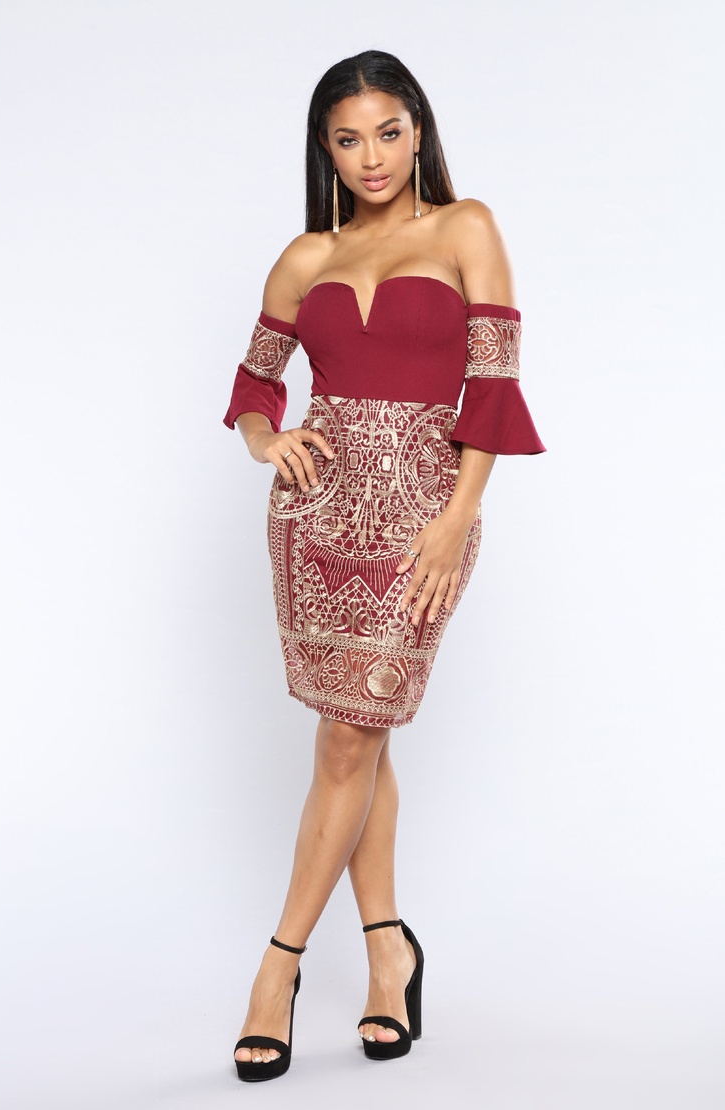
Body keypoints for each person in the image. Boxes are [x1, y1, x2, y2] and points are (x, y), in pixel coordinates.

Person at [223, 49, 546, 1081]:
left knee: (351, 734)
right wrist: (268, 442)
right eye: (348, 139)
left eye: (389, 133)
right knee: (356, 735)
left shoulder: (465, 228)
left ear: (419, 132)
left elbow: (494, 383)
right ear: (324, 149)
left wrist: (459, 516)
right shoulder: (304, 256)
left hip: (422, 518)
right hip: (314, 520)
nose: (371, 157)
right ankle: (386, 955)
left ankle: (277, 966)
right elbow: (254, 385)